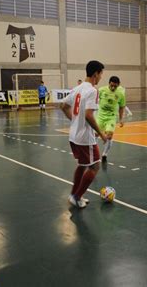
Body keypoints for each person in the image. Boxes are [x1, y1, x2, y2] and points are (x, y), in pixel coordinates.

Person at [60, 60, 107, 209]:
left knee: (82, 165)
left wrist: (74, 122)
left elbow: (63, 106)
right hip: (84, 138)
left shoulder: (77, 88)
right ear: (95, 74)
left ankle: (73, 195)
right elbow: (88, 115)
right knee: (95, 167)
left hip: (73, 136)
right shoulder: (93, 91)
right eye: (101, 74)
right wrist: (101, 133)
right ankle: (77, 196)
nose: (101, 78)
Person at [97, 76, 126, 162]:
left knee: (109, 135)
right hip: (100, 116)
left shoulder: (120, 94)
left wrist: (121, 119)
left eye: (115, 86)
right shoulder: (101, 90)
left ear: (118, 85)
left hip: (111, 117)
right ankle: (94, 153)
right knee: (95, 135)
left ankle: (105, 154)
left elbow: (121, 107)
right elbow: (94, 101)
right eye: (111, 85)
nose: (113, 88)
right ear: (109, 83)